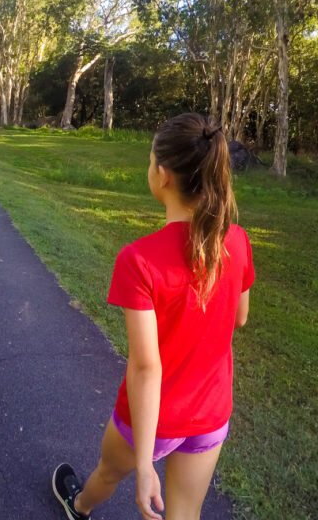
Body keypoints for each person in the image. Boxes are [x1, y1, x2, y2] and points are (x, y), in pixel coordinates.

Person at [53, 113, 255, 520]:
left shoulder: (139, 260)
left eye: (150, 162)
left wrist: (145, 464)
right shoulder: (237, 239)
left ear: (163, 175)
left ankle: (79, 507)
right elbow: (239, 318)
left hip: (150, 423)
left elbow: (146, 367)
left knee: (108, 473)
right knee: (185, 514)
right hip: (211, 414)